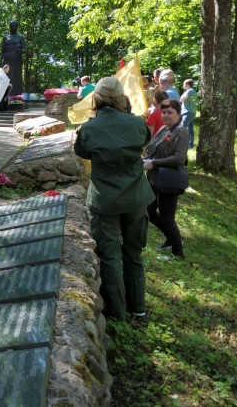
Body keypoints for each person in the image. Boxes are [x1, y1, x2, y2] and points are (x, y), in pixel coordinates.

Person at [74, 77, 154, 321]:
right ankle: (138, 308)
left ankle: (118, 314)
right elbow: (145, 142)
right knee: (133, 253)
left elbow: (81, 152)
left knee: (109, 256)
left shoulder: (89, 128)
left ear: (95, 98)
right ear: (122, 99)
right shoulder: (137, 124)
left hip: (104, 200)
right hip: (135, 198)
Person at [144, 99, 189, 260]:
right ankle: (171, 237)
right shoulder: (163, 128)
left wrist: (153, 163)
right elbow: (153, 147)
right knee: (148, 211)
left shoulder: (181, 131)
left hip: (168, 180)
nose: (166, 115)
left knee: (167, 217)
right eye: (163, 112)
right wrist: (146, 158)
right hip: (154, 178)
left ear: (178, 113)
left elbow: (179, 158)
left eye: (170, 112)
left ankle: (178, 252)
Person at [0, 20, 27, 96]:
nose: (13, 27)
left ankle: (17, 97)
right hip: (7, 61)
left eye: (15, 26)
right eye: (12, 26)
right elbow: (2, 51)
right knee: (6, 78)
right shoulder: (5, 38)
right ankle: (5, 97)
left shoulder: (20, 37)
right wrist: (0, 62)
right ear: (9, 27)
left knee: (16, 78)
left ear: (17, 27)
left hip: (17, 61)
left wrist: (20, 50)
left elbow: (25, 50)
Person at [180, 79, 197, 149]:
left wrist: (181, 97)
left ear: (187, 84)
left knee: (182, 127)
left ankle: (182, 144)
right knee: (190, 129)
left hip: (188, 112)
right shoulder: (191, 91)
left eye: (184, 84)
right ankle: (190, 145)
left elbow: (182, 99)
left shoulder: (190, 91)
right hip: (190, 112)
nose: (183, 86)